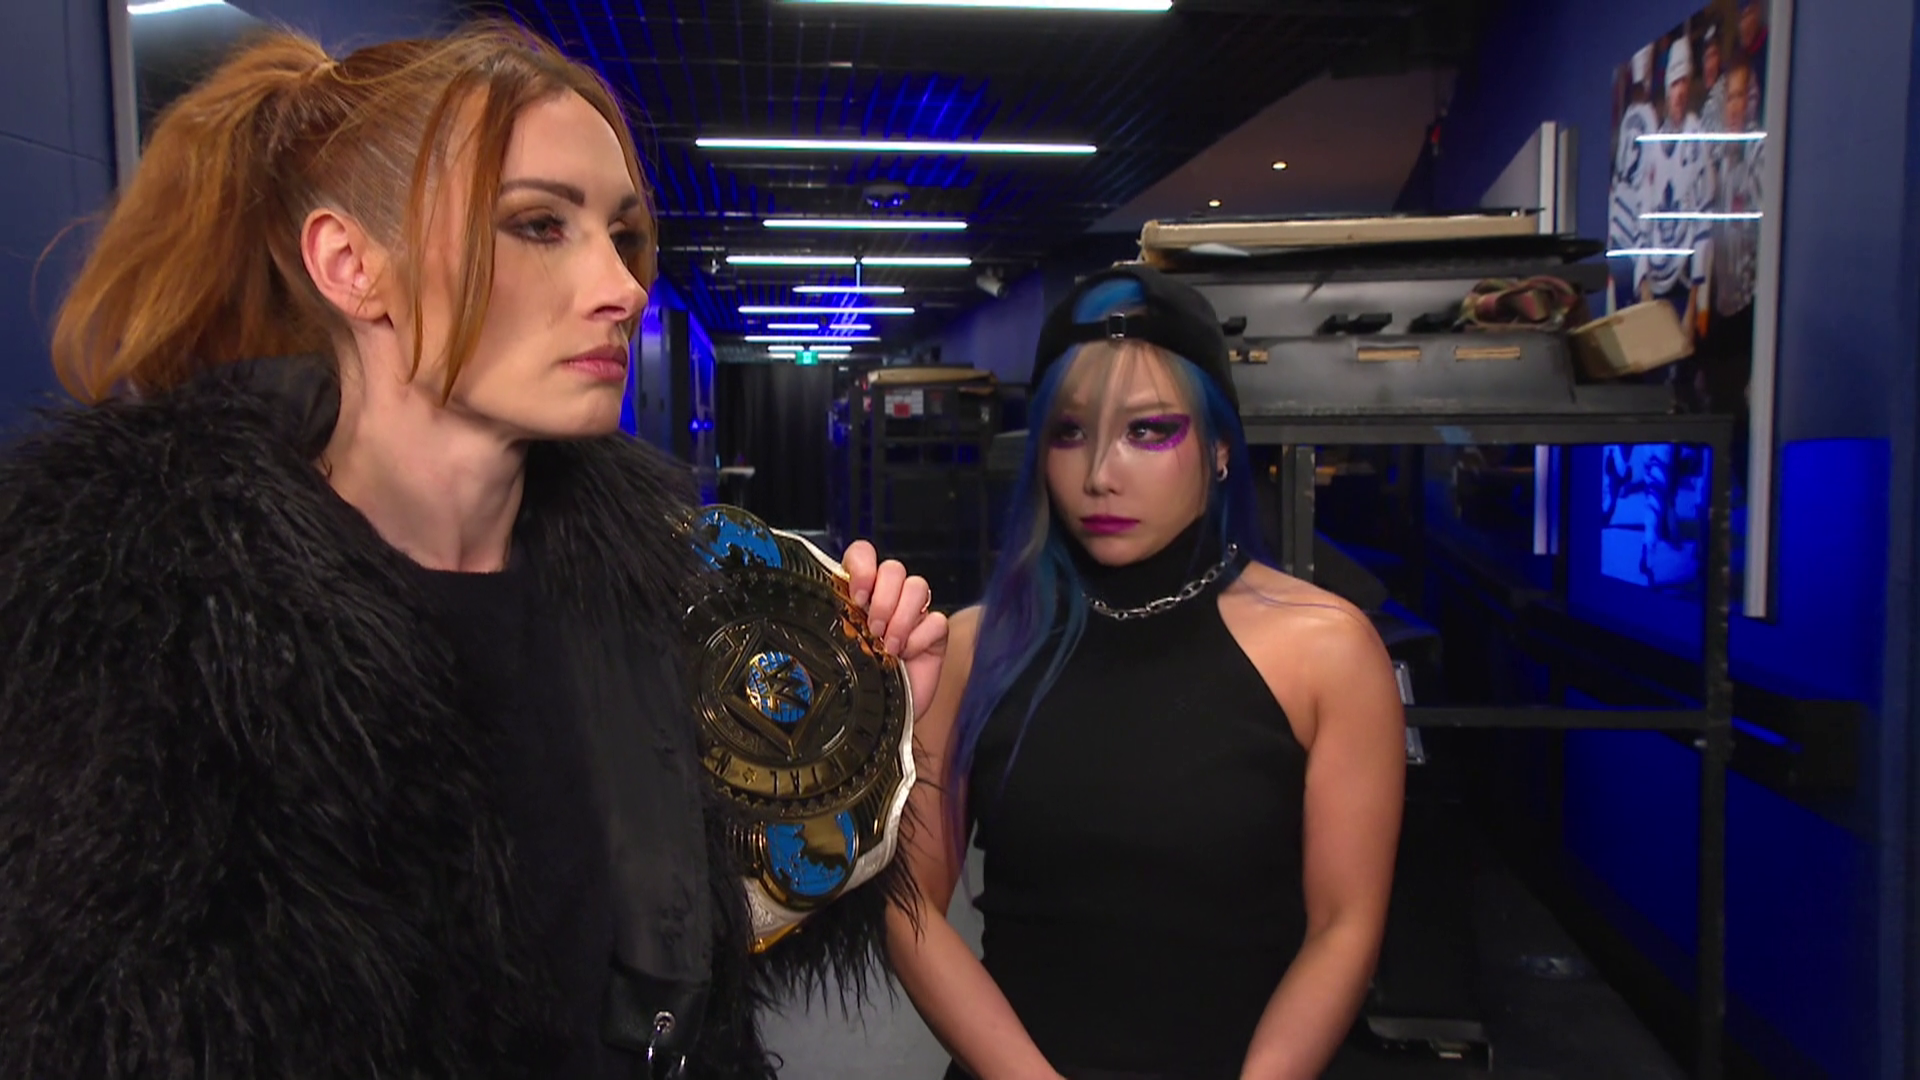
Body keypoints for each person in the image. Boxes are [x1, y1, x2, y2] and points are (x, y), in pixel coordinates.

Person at [0, 22, 945, 1079]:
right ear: (351, 266)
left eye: (621, 234)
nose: (622, 287)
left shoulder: (657, 594)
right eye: (538, 225)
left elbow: (695, 960)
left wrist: (846, 752)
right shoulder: (143, 635)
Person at [886, 266, 1406, 1080]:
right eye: (1069, 433)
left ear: (1221, 448)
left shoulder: (1327, 652)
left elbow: (1344, 925)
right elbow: (908, 907)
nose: (1100, 473)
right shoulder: (974, 648)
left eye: (1149, 431)